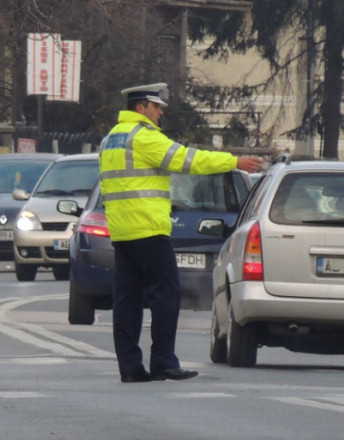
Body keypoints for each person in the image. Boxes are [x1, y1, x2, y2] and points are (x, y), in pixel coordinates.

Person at [99, 82, 264, 383]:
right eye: (156, 106)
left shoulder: (111, 139)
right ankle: (163, 360)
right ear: (141, 108)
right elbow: (190, 160)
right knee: (167, 294)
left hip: (123, 232)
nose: (160, 111)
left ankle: (130, 367)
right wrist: (234, 161)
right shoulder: (144, 138)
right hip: (148, 228)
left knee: (127, 300)